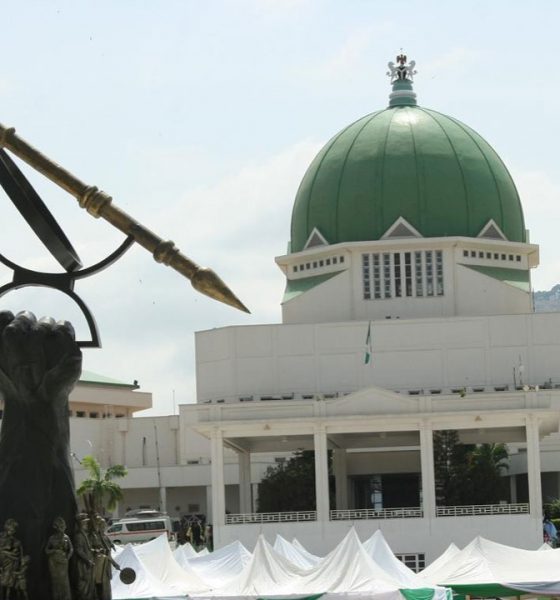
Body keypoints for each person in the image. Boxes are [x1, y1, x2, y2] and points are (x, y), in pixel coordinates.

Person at [45, 517, 73, 600]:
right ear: (56, 527)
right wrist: (54, 550)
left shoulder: (66, 537)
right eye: (60, 527)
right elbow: (46, 550)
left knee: (64, 582)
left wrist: (68, 557)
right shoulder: (52, 538)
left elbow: (71, 549)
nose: (62, 528)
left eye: (63, 526)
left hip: (63, 562)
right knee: (55, 582)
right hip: (53, 562)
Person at [0, 518, 28, 599]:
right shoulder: (1, 538)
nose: (13, 531)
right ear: (7, 527)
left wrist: (5, 552)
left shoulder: (16, 542)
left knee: (8, 586)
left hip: (10, 567)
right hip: (2, 565)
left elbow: (18, 555)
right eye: (12, 528)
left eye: (14, 529)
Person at [73, 514, 95, 600]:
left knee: (89, 585)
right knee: (83, 586)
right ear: (80, 524)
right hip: (83, 565)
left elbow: (86, 548)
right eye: (85, 523)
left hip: (88, 564)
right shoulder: (78, 536)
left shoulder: (84, 534)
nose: (86, 524)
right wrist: (88, 560)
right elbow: (79, 551)